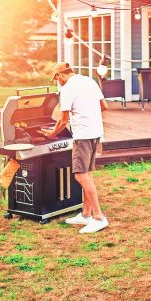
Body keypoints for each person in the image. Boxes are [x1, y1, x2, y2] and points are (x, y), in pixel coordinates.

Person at [41, 62, 109, 234]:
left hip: (83, 135)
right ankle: (86, 214)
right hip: (95, 132)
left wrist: (52, 134)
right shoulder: (89, 81)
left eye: (56, 79)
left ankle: (99, 218)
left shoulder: (67, 88)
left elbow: (63, 121)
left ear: (59, 76)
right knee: (87, 173)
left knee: (80, 175)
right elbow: (104, 106)